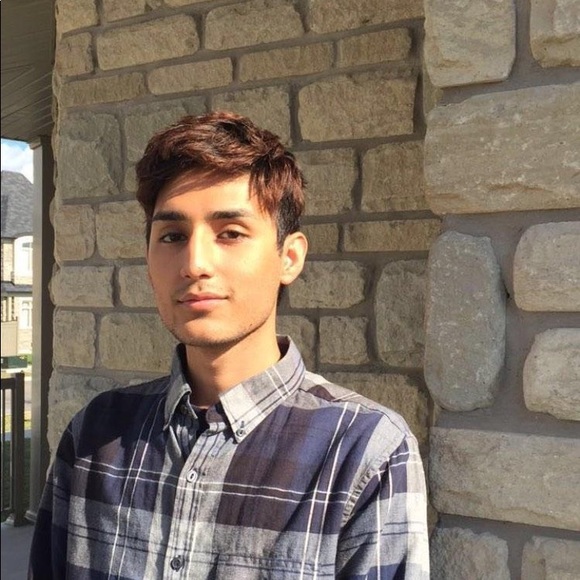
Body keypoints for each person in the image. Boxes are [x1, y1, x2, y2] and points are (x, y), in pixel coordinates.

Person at [29, 111, 429, 579]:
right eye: (172, 236)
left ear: (289, 257)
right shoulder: (96, 434)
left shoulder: (364, 451)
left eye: (231, 233)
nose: (195, 263)